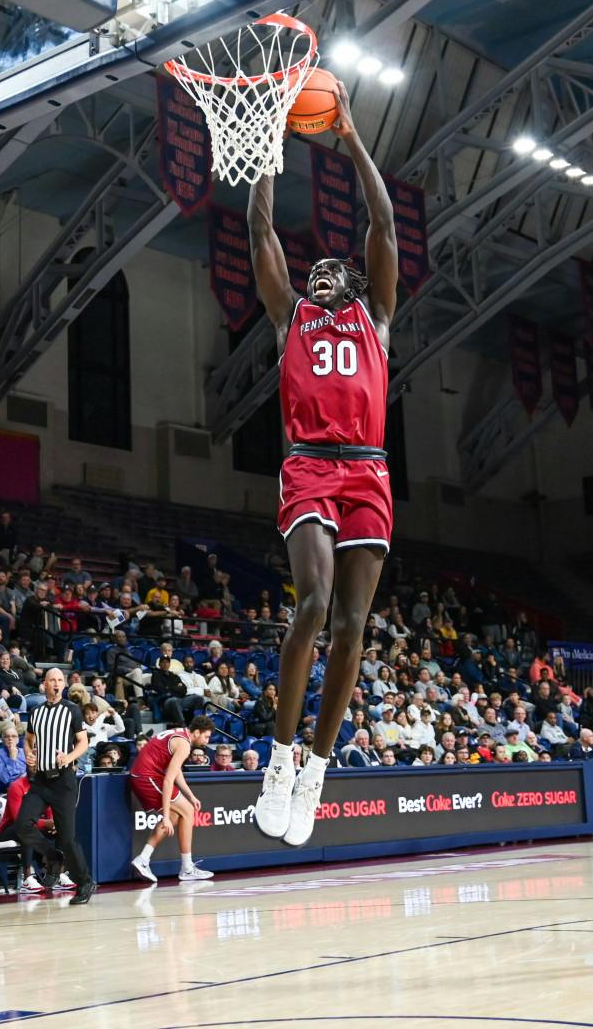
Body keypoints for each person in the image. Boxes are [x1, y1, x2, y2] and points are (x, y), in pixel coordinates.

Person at [247, 80, 400, 849]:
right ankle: (279, 758)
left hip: (368, 471)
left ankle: (316, 767)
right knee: (312, 604)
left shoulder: (377, 315)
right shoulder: (291, 317)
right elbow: (261, 229)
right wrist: (268, 147)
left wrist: (351, 139)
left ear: (359, 283)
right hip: (308, 465)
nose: (319, 273)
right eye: (314, 271)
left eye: (333, 268)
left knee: (352, 625)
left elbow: (383, 223)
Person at [17, 667, 97, 902]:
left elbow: (83, 742)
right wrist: (29, 753)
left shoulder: (72, 710)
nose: (56, 683)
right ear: (45, 684)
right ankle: (53, 857)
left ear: (63, 684)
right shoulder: (36, 711)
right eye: (52, 680)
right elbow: (28, 739)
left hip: (63, 780)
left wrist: (69, 757)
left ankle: (84, 882)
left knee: (67, 838)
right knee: (22, 825)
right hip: (41, 780)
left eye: (60, 680)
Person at [128, 716, 217, 884]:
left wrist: (190, 795)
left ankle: (143, 859)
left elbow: (175, 771)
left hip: (143, 775)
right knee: (187, 811)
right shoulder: (184, 744)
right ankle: (187, 868)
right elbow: (168, 780)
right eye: (206, 736)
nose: (207, 741)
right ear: (197, 732)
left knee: (177, 815)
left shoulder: (180, 734)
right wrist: (165, 817)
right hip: (147, 777)